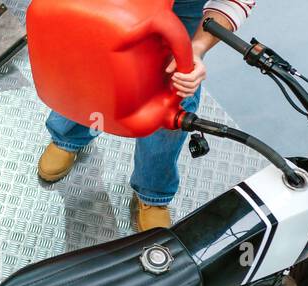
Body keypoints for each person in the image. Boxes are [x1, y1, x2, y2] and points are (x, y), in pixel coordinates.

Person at [36, 0, 257, 230]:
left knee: (171, 92)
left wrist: (196, 48)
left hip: (182, 10)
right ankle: (68, 136)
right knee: (90, 64)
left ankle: (152, 192)